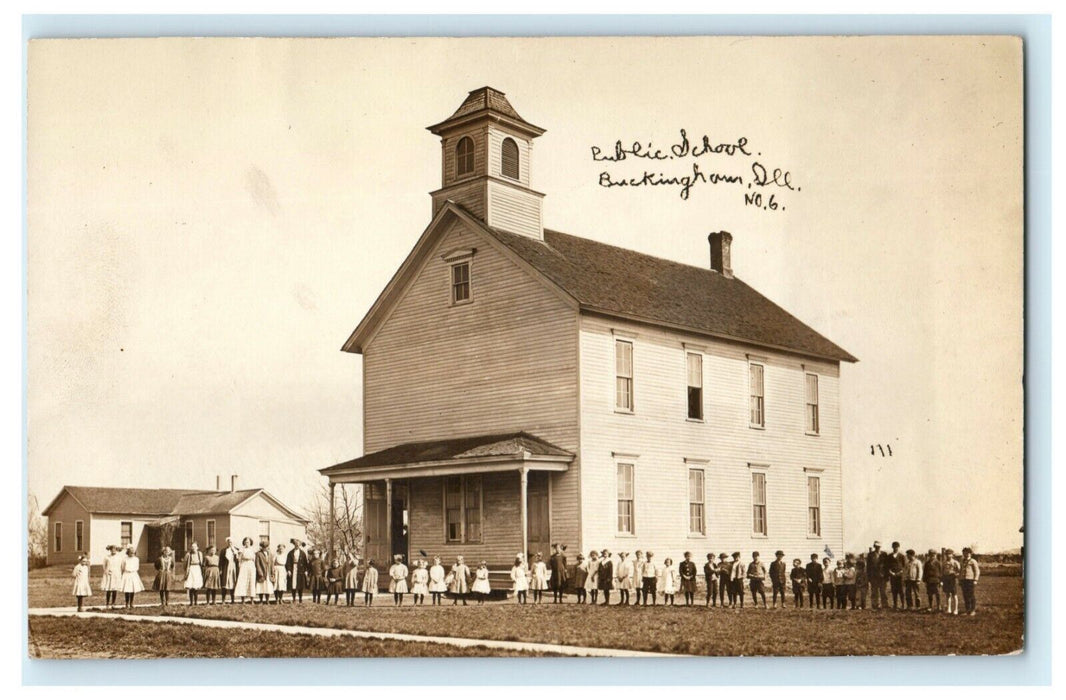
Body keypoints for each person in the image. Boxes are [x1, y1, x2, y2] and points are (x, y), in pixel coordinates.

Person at [233, 537, 258, 603]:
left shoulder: (253, 549)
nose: (247, 543)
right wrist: (240, 565)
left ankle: (252, 600)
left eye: (248, 542)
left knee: (251, 581)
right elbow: (239, 559)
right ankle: (243, 600)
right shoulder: (242, 549)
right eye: (246, 542)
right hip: (244, 565)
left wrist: (255, 566)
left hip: (251, 565)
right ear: (244, 542)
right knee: (243, 581)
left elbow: (255, 559)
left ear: (250, 542)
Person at [866, 541, 888, 610]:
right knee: (874, 591)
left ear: (880, 547)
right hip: (873, 576)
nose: (877, 548)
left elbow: (887, 566)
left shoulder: (884, 554)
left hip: (882, 576)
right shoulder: (870, 555)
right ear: (874, 546)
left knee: (883, 591)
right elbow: (868, 567)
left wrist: (886, 576)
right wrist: (869, 577)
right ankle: (875, 605)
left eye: (879, 546)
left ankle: (884, 605)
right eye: (876, 546)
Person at [285, 539, 309, 603]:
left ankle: (300, 598)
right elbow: (288, 562)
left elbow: (305, 563)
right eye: (296, 544)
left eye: (298, 544)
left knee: (300, 585)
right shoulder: (290, 553)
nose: (297, 545)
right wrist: (289, 570)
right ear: (294, 545)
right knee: (293, 584)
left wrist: (306, 570)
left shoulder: (303, 553)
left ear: (300, 545)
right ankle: (294, 598)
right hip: (293, 569)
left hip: (300, 570)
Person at [184, 542, 205, 606]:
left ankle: (196, 602)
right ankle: (191, 602)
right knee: (191, 586)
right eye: (192, 547)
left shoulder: (200, 554)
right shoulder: (188, 554)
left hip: (197, 569)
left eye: (195, 547)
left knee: (196, 586)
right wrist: (186, 570)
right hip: (191, 569)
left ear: (197, 547)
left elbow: (201, 562)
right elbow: (185, 563)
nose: (193, 548)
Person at [960, 547, 980, 616]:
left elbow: (977, 571)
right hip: (963, 580)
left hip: (970, 580)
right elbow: (961, 571)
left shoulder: (973, 561)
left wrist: (975, 580)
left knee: (971, 595)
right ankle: (967, 610)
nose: (966, 554)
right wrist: (960, 579)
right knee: (965, 595)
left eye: (968, 553)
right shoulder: (962, 561)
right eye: (964, 553)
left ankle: (973, 610)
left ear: (970, 553)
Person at [220, 537, 240, 604]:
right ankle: (223, 600)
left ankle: (233, 600)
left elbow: (238, 561)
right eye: (229, 542)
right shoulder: (223, 551)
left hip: (233, 567)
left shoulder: (236, 550)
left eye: (231, 542)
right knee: (225, 584)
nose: (230, 543)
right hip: (226, 568)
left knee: (233, 583)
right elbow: (221, 561)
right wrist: (221, 569)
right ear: (227, 543)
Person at [888, 541, 907, 609]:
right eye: (894, 547)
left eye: (897, 547)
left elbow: (905, 566)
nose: (895, 548)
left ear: (899, 547)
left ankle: (903, 605)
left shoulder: (902, 556)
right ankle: (895, 604)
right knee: (894, 590)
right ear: (892, 547)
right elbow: (887, 566)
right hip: (892, 576)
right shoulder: (889, 556)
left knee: (901, 590)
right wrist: (891, 572)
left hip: (900, 576)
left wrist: (900, 572)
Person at [942, 548, 961, 615]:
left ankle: (956, 609)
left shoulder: (955, 562)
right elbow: (942, 571)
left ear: (952, 555)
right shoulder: (944, 562)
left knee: (954, 594)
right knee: (947, 594)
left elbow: (959, 571)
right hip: (946, 578)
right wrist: (942, 580)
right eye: (947, 554)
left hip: (952, 578)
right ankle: (949, 609)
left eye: (949, 554)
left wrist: (956, 575)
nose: (948, 555)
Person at [100, 545, 119, 609]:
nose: (113, 550)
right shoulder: (107, 557)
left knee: (114, 589)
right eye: (112, 549)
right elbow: (104, 566)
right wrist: (106, 571)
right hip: (109, 574)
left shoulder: (119, 557)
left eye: (114, 549)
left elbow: (120, 566)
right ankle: (107, 603)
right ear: (110, 550)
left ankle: (113, 603)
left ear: (116, 550)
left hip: (116, 574)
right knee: (108, 589)